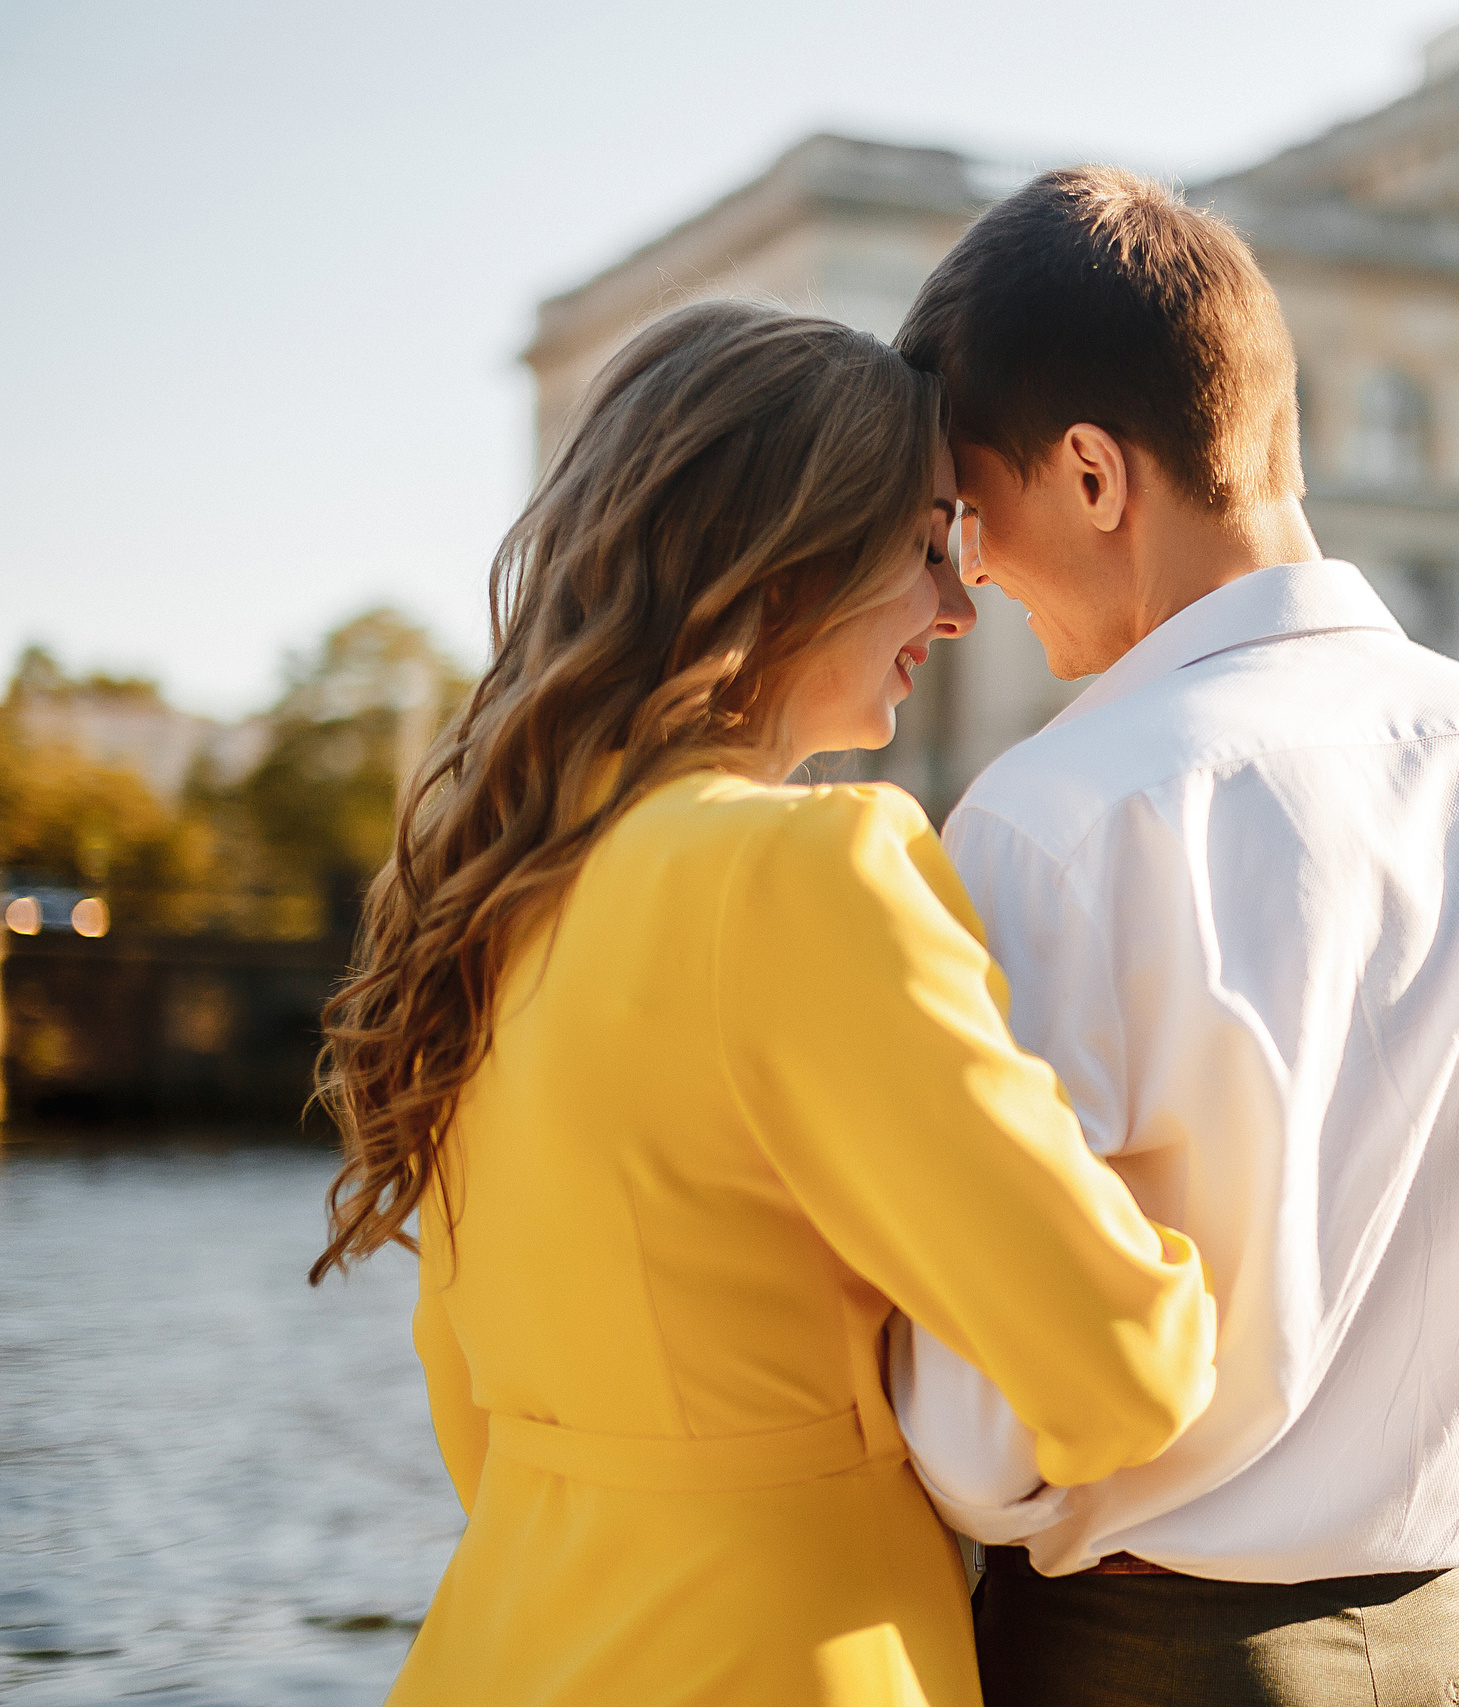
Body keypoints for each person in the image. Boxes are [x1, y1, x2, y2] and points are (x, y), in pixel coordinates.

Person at [307, 299, 1217, 1707]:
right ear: (783, 565)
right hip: (779, 1657)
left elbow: (474, 1425)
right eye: (926, 545)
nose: (961, 606)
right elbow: (1117, 1373)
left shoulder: (482, 897)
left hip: (498, 1645)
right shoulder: (810, 874)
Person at [893, 168, 1459, 1707]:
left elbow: (983, 1448)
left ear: (1097, 478)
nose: (969, 582)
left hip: (1138, 1661)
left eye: (972, 517)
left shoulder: (1050, 822)